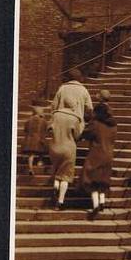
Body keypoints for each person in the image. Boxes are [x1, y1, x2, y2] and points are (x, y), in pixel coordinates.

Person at [49, 68, 93, 210]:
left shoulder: (62, 88)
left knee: (57, 170)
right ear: (80, 78)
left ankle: (55, 186)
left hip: (58, 132)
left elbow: (53, 106)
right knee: (66, 173)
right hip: (73, 129)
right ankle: (61, 200)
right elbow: (89, 109)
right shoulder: (84, 90)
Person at [81, 90, 117, 218]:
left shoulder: (95, 124)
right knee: (103, 179)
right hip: (109, 153)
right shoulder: (113, 125)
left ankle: (95, 204)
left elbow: (86, 134)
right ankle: (102, 202)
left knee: (91, 178)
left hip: (96, 152)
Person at [22, 101, 48, 176]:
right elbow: (45, 131)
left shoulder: (28, 120)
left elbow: (25, 130)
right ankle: (40, 162)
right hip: (39, 139)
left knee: (31, 155)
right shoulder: (44, 121)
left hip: (29, 140)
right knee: (41, 152)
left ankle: (30, 168)